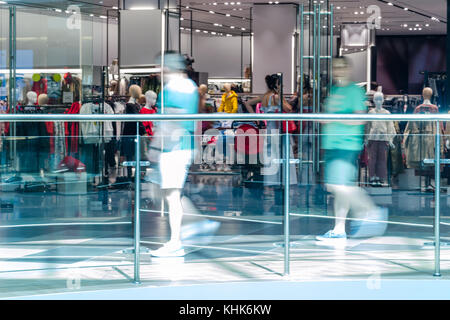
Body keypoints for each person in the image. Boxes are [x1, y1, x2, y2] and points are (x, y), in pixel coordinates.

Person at [316, 57, 388, 242]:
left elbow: (359, 118)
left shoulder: (354, 91)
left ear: (348, 69)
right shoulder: (334, 90)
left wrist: (333, 119)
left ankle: (371, 211)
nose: (338, 71)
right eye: (335, 68)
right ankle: (339, 228)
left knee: (336, 185)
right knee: (342, 187)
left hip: (345, 145)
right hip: (332, 144)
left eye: (342, 67)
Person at [146, 51, 199, 257]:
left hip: (172, 148)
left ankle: (176, 240)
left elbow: (168, 123)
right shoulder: (190, 87)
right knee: (172, 193)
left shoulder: (170, 90)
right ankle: (190, 229)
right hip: (183, 146)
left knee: (171, 195)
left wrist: (155, 149)